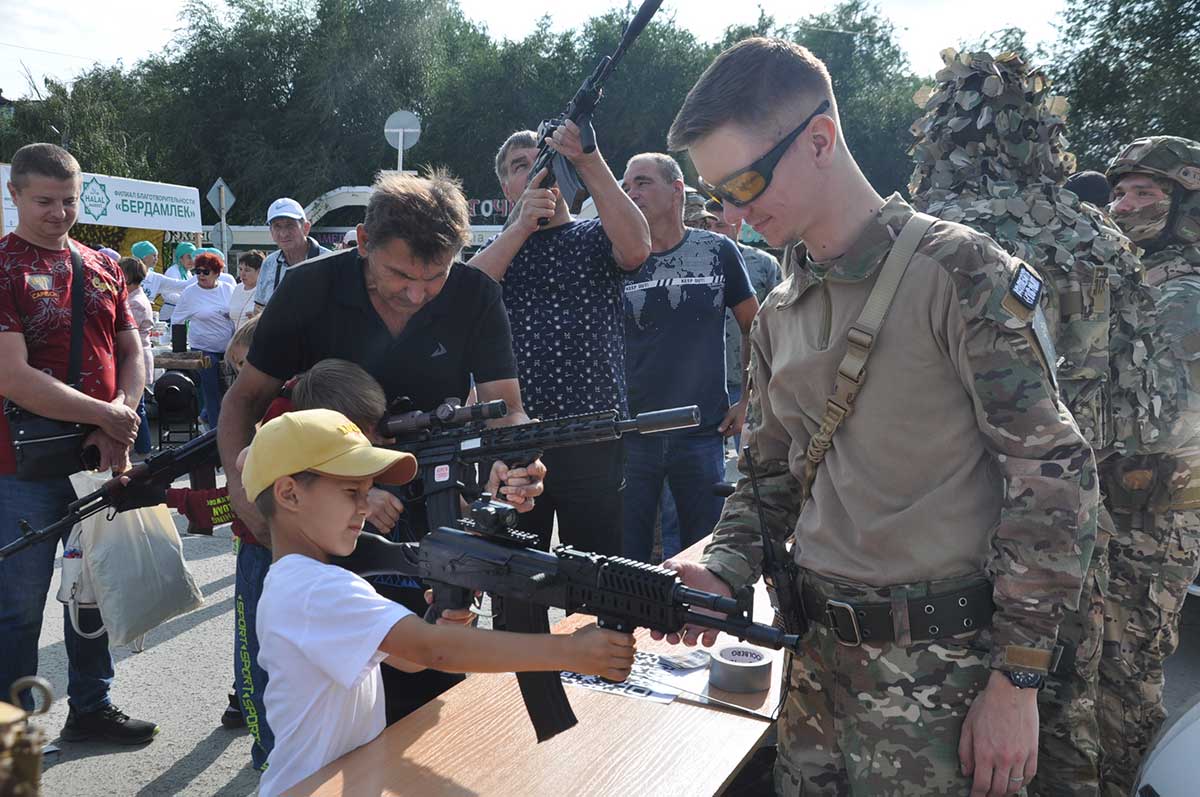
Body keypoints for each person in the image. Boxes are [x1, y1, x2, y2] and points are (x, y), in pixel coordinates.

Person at [659, 39, 1097, 795]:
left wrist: (1016, 682)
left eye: (745, 182)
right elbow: (766, 480)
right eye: (716, 193)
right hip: (816, 666)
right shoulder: (779, 314)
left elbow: (1052, 475)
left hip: (944, 679)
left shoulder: (960, 273)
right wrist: (722, 569)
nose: (732, 212)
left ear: (820, 140)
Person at [908, 50, 1161, 797]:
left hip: (952, 523)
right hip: (1076, 522)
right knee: (1060, 713)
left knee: (946, 728)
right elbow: (1142, 402)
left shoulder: (926, 237)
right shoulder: (1105, 242)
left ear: (944, 134)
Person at [219, 169, 547, 730]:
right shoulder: (309, 288)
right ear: (364, 242)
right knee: (293, 710)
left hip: (433, 511)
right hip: (312, 511)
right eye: (399, 275)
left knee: (428, 699)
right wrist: (250, 498)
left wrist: (518, 465)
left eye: (436, 276)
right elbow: (243, 401)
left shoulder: (475, 295)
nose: (417, 294)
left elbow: (506, 409)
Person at [243, 407, 635, 797]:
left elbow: (409, 659)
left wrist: (448, 621)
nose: (364, 507)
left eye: (366, 492)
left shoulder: (307, 582)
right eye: (351, 492)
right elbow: (432, 652)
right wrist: (570, 652)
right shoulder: (314, 589)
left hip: (344, 777)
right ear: (290, 494)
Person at [0, 142, 155, 743]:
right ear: (14, 195)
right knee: (17, 608)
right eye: (44, 201)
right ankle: (13, 735)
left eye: (69, 200)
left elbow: (131, 348)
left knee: (93, 594)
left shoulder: (104, 264)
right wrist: (108, 415)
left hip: (98, 457)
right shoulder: (4, 267)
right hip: (20, 467)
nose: (59, 213)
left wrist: (123, 412)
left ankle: (91, 707)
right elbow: (12, 377)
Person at [470, 123, 651, 555]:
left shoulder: (592, 235)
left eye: (544, 160)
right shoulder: (500, 249)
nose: (536, 171)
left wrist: (588, 158)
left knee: (597, 577)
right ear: (506, 187)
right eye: (520, 166)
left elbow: (638, 248)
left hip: (592, 436)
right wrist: (520, 229)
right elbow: (465, 296)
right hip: (515, 441)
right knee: (514, 577)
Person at [1100, 135, 1200, 797]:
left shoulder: (1184, 290)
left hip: (1152, 523)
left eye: (1146, 192)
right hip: (1113, 511)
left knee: (1123, 689)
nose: (1125, 203)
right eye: (1121, 190)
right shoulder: (1135, 277)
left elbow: (1144, 410)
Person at [618, 153, 758, 563]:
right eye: (626, 186)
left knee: (704, 553)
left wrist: (748, 399)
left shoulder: (717, 251)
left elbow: (758, 326)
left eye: (642, 182)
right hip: (630, 432)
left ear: (677, 189)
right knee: (630, 558)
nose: (631, 193)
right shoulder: (618, 259)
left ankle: (705, 627)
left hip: (701, 430)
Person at [703, 195, 783, 452]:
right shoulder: (693, 265)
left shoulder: (763, 263)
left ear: (736, 225)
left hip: (748, 378)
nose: (715, 232)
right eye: (710, 226)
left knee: (750, 458)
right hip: (705, 380)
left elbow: (780, 318)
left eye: (721, 225)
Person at [173, 251, 234, 431]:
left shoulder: (228, 289)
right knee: (212, 389)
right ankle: (216, 434)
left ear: (217, 273)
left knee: (229, 391)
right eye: (197, 271)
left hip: (228, 348)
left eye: (205, 272)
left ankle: (205, 416)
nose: (200, 275)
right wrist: (179, 353)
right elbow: (177, 319)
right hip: (203, 349)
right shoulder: (190, 293)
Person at [253, 197, 330, 309]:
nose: (284, 234)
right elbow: (259, 310)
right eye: (277, 226)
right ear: (271, 232)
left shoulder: (329, 261)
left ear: (306, 228)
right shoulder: (269, 264)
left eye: (290, 225)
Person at [119, 256, 156, 459]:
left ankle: (143, 449)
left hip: (137, 357)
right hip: (137, 355)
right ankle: (143, 448)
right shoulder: (133, 298)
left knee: (136, 406)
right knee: (136, 404)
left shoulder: (135, 303)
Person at [143, 242, 194, 324]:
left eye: (193, 257)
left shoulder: (188, 273)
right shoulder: (173, 271)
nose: (192, 260)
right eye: (189, 257)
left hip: (182, 314)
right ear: (180, 258)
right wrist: (186, 300)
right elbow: (168, 295)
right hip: (170, 314)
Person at [229, 249, 263, 329]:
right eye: (240, 269)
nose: (242, 274)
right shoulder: (237, 288)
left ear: (259, 271)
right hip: (237, 338)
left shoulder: (264, 291)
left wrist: (258, 318)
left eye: (247, 270)